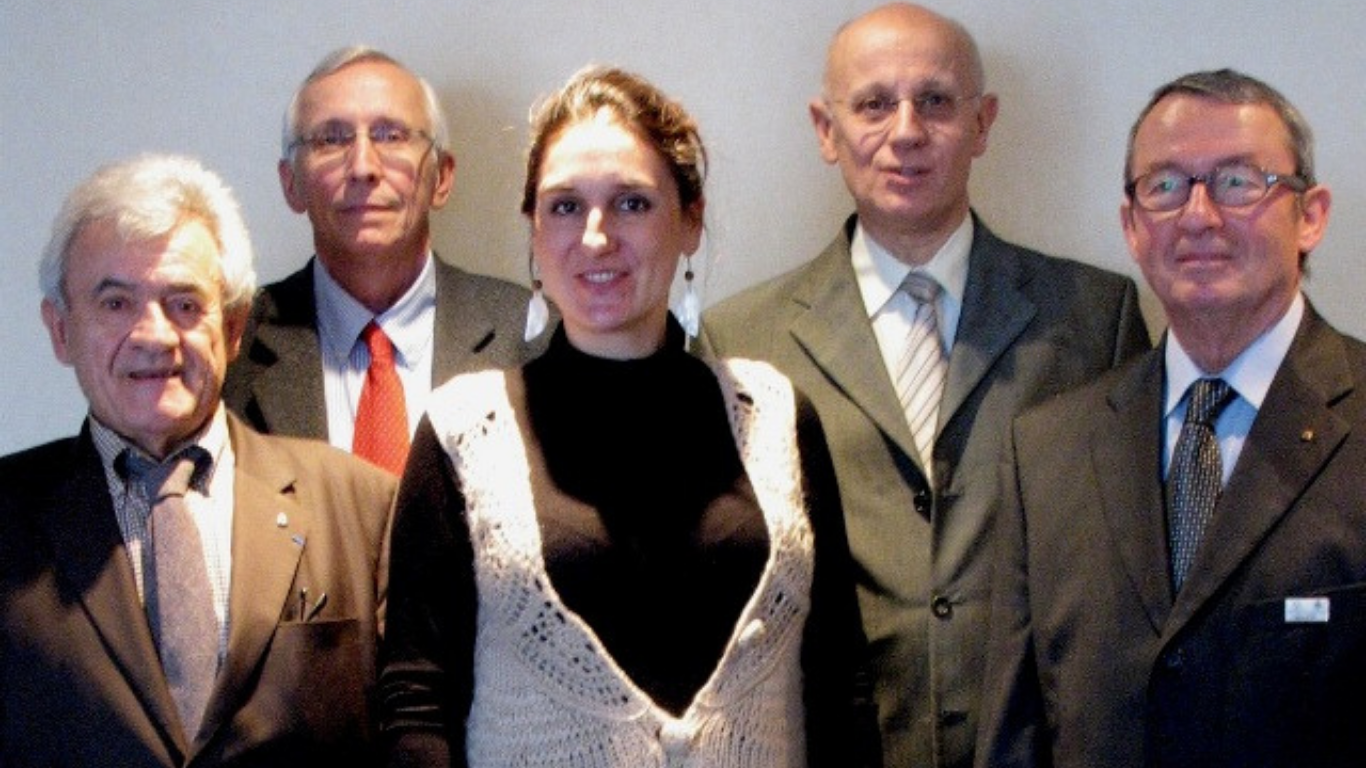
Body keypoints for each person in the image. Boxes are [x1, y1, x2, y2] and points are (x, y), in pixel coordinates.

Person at [378, 66, 878, 768]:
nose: (595, 236)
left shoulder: (776, 420)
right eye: (564, 206)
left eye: (632, 203)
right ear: (533, 230)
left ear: (690, 220)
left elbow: (838, 684)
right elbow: (417, 701)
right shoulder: (463, 433)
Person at [696, 4, 1149, 766]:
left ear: (982, 123)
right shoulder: (741, 341)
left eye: (935, 101)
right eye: (874, 104)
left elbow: (1130, 578)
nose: (906, 131)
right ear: (826, 129)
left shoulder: (1094, 320)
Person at [974, 68, 1364, 768]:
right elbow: (1016, 738)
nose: (1199, 215)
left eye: (1238, 182)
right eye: (1165, 187)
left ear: (1311, 215)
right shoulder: (1048, 450)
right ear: (1131, 225)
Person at [1, 154, 395, 766]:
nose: (154, 335)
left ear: (234, 328)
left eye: (184, 304)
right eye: (115, 303)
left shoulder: (362, 506)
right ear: (60, 330)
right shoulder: (6, 517)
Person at [223, 45, 545, 475]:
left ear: (442, 177)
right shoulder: (230, 345)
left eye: (391, 136)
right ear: (291, 183)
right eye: (331, 139)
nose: (363, 167)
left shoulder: (530, 335)